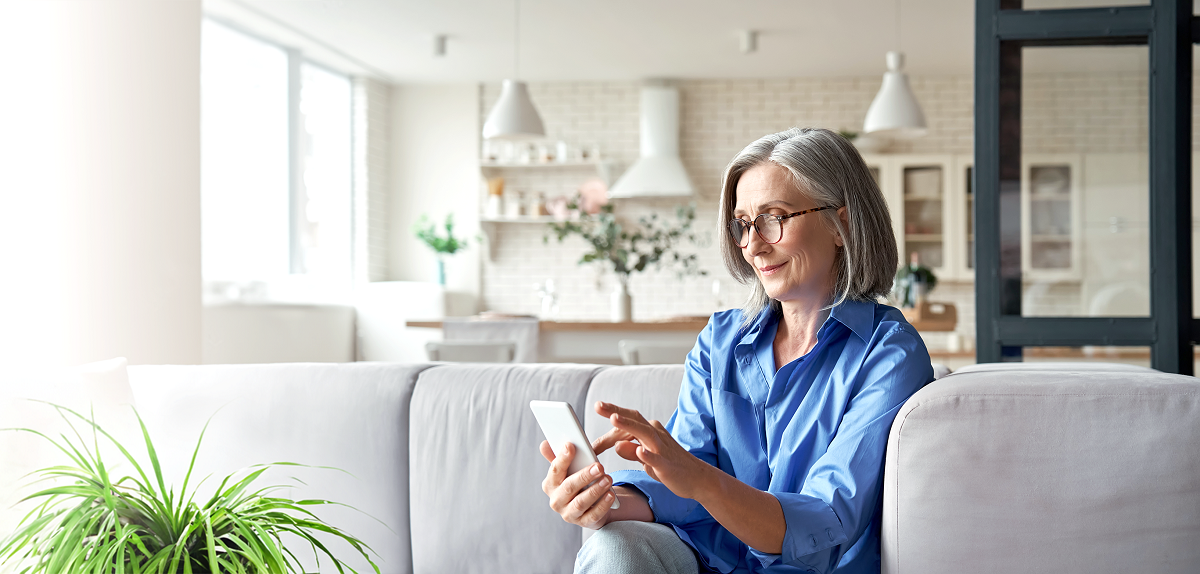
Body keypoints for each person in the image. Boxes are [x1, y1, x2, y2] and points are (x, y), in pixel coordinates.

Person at [539, 127, 934, 574]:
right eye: (743, 224)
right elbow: (685, 483)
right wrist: (602, 500)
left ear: (841, 225)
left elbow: (825, 524)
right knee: (614, 545)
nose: (752, 245)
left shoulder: (888, 353)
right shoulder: (720, 339)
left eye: (774, 217)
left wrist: (699, 480)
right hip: (708, 563)